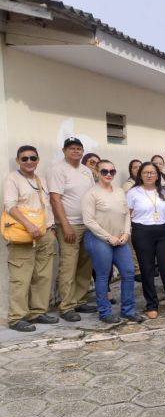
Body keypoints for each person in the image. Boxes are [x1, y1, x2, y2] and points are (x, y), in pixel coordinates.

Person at [3, 145, 58, 332]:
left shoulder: (40, 180)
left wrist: (51, 228)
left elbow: (46, 207)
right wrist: (28, 225)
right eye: (24, 158)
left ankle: (38, 312)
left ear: (38, 160)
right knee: (21, 278)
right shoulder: (13, 178)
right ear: (18, 160)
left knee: (43, 276)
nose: (29, 162)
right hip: (23, 235)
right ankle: (17, 317)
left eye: (32, 158)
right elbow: (10, 206)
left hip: (45, 234)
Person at [82, 160, 142, 325]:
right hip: (99, 239)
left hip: (120, 239)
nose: (108, 174)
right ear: (97, 172)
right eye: (104, 171)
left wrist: (126, 232)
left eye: (112, 171)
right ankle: (105, 312)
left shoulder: (119, 191)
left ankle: (128, 310)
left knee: (129, 273)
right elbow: (89, 221)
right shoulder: (91, 194)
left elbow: (126, 214)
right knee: (103, 276)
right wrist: (109, 237)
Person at [47, 137, 97, 322]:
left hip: (88, 223)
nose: (75, 151)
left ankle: (80, 300)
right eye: (71, 148)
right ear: (64, 151)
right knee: (68, 265)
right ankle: (66, 306)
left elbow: (92, 195)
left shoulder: (86, 171)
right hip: (70, 225)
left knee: (85, 264)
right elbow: (55, 198)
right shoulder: (57, 169)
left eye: (78, 148)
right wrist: (65, 224)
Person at [128, 162, 165, 319]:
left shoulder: (164, 191)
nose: (149, 175)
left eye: (152, 172)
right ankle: (151, 304)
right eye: (146, 172)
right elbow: (128, 214)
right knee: (147, 270)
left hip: (164, 232)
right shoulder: (134, 192)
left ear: (158, 175)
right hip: (142, 231)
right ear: (141, 175)